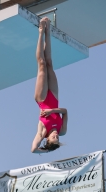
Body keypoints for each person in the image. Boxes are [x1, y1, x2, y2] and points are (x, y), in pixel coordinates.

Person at [31, 17, 68, 153]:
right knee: (49, 63)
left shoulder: (42, 132)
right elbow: (65, 111)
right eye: (58, 138)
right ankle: (48, 31)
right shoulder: (62, 130)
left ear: (47, 139)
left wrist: (46, 151)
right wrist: (53, 111)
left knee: (41, 64)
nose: (57, 136)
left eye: (54, 138)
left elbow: (33, 149)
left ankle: (41, 31)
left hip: (41, 99)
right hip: (54, 97)